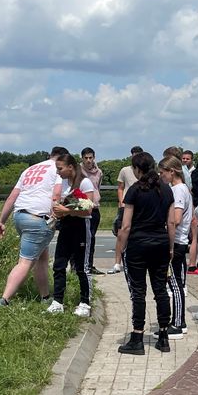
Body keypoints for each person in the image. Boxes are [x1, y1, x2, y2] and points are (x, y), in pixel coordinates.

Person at [112, 152, 174, 354]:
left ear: (137, 169)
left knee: (138, 292)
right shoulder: (166, 189)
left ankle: (137, 337)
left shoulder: (134, 190)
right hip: (160, 243)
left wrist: (119, 250)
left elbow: (126, 226)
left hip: (138, 244)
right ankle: (163, 337)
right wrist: (170, 247)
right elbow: (171, 222)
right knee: (160, 290)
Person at [0, 151, 62, 306]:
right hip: (38, 218)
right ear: (62, 158)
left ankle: (45, 297)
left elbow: (12, 196)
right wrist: (55, 215)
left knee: (42, 258)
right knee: (25, 262)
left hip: (20, 216)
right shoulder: (58, 168)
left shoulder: (30, 169)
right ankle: (4, 299)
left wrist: (1, 221)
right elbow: (57, 193)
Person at [48, 153, 95, 317]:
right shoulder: (64, 183)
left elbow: (88, 210)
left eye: (60, 168)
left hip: (81, 226)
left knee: (82, 267)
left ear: (70, 167)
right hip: (66, 226)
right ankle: (57, 301)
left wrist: (66, 210)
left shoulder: (84, 182)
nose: (58, 172)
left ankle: (85, 302)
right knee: (59, 264)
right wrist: (58, 211)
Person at [161, 156, 192, 339]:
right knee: (175, 282)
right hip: (180, 240)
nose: (161, 176)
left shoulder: (178, 190)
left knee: (174, 283)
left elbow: (176, 219)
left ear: (172, 171)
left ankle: (178, 323)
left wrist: (163, 226)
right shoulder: (182, 189)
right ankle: (179, 321)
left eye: (163, 172)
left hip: (177, 241)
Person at [107, 146, 143, 274]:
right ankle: (117, 263)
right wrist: (121, 202)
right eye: (134, 155)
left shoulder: (145, 170)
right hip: (126, 205)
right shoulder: (125, 170)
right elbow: (120, 187)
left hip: (140, 206)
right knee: (121, 234)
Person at [79, 147, 104, 276]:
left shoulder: (98, 172)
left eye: (91, 158)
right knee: (80, 238)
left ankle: (90, 264)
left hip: (94, 208)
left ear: (94, 158)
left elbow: (97, 187)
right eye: (86, 158)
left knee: (92, 238)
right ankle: (77, 265)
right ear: (82, 158)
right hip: (81, 208)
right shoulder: (78, 170)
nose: (88, 160)